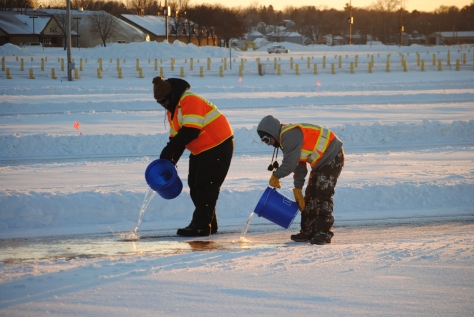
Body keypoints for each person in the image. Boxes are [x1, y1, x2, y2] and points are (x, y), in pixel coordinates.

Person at [152, 76, 234, 237]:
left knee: (206, 186)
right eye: (159, 103)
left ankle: (200, 225)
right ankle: (208, 223)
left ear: (171, 96)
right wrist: (169, 160)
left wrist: (169, 151)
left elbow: (191, 130)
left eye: (164, 101)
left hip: (218, 145)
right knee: (195, 185)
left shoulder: (188, 100)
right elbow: (176, 140)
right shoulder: (173, 112)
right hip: (201, 150)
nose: (163, 105)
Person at [257, 115, 344, 245]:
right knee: (310, 196)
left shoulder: (289, 135)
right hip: (320, 161)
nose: (268, 144)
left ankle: (323, 233)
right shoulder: (285, 139)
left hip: (332, 155)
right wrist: (298, 187)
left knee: (322, 194)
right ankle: (308, 231)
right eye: (264, 142)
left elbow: (289, 164)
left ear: (272, 132)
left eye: (266, 139)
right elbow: (299, 165)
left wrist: (276, 175)